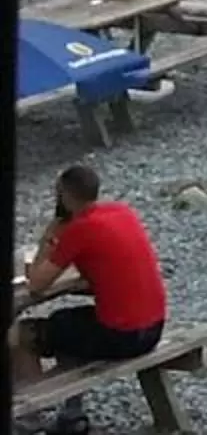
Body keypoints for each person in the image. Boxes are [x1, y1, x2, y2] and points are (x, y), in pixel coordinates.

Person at [12, 162, 167, 398]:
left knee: (24, 333)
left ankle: (33, 405)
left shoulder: (80, 229)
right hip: (154, 329)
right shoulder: (122, 212)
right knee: (66, 323)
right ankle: (70, 412)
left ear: (64, 195)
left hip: (124, 337)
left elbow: (35, 284)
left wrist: (49, 238)